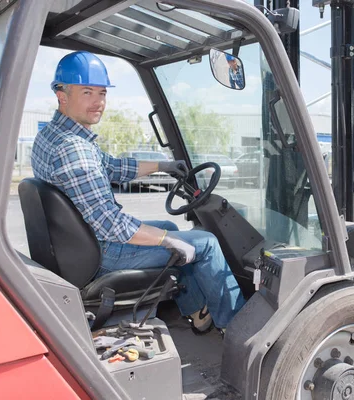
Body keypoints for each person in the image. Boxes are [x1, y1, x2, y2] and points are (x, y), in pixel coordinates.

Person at [31, 51, 245, 334]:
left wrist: (163, 165)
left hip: (79, 244)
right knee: (204, 242)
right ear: (62, 95)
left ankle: (196, 311)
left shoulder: (52, 136)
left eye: (102, 93)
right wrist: (168, 241)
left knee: (169, 226)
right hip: (105, 251)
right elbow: (111, 224)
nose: (99, 102)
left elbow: (113, 167)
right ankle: (239, 329)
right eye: (87, 92)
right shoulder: (75, 149)